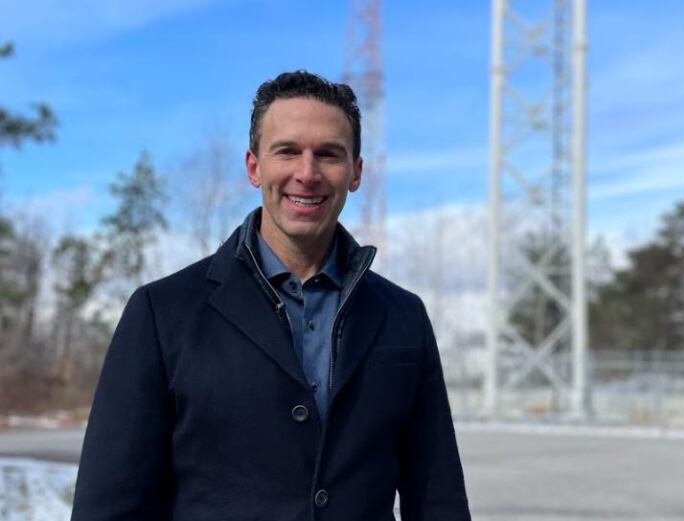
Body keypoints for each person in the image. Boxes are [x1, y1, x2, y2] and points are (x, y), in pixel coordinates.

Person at [71, 70, 471, 521]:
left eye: (328, 154)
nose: (307, 173)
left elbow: (438, 496)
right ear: (254, 166)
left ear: (356, 172)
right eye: (287, 151)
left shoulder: (404, 316)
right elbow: (108, 507)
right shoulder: (162, 314)